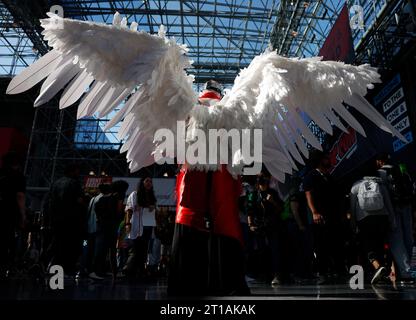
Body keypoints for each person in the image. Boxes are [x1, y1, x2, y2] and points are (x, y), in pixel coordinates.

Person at [168, 80, 250, 296]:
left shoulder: (189, 104)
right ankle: (227, 281)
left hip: (192, 168)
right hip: (221, 170)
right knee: (224, 218)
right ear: (219, 91)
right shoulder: (227, 105)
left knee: (188, 214)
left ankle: (185, 280)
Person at [303, 150, 346, 282]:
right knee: (321, 245)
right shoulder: (311, 176)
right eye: (326, 158)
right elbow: (308, 194)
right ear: (320, 160)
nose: (329, 159)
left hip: (333, 216)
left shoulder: (329, 177)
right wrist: (314, 212)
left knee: (337, 244)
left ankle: (339, 271)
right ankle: (322, 273)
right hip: (320, 217)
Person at [350, 173, 395, 284]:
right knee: (381, 244)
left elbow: (352, 207)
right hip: (382, 217)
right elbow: (388, 204)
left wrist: (353, 223)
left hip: (364, 219)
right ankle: (383, 271)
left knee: (367, 244)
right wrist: (392, 220)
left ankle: (377, 267)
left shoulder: (355, 185)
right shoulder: (380, 184)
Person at [376, 153, 414, 281]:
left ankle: (406, 271)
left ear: (379, 161)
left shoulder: (380, 173)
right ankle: (409, 268)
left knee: (396, 239)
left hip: (393, 207)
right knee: (408, 237)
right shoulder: (401, 169)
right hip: (407, 206)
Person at [47, 164, 86, 276]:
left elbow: (49, 201)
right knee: (70, 245)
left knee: (57, 243)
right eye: (77, 171)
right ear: (72, 171)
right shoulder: (74, 183)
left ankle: (52, 267)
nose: (78, 174)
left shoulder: (55, 183)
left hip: (56, 219)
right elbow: (79, 200)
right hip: (71, 220)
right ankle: (66, 269)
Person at [90, 180, 129, 280]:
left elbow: (97, 211)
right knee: (109, 249)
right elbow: (119, 210)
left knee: (102, 249)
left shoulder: (101, 199)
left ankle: (100, 271)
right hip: (110, 227)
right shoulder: (119, 196)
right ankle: (104, 271)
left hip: (102, 226)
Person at [123, 176, 157, 278]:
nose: (149, 183)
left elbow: (153, 210)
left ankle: (141, 270)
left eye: (150, 181)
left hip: (148, 226)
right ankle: (127, 270)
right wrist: (127, 224)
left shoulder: (151, 196)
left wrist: (153, 207)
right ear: (142, 182)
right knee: (135, 249)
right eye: (147, 181)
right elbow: (129, 209)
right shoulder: (135, 194)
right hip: (137, 225)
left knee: (144, 249)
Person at [0, 152, 27, 279]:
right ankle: (5, 267)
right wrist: (23, 215)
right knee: (6, 239)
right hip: (8, 212)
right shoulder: (18, 177)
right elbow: (20, 196)